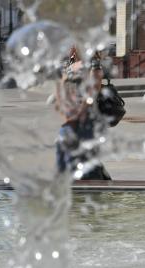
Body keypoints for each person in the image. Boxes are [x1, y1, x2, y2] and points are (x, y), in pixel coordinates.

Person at [55, 47, 110, 180]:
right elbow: (61, 94)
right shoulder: (70, 65)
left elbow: (92, 92)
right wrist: (67, 116)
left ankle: (99, 187)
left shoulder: (93, 65)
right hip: (71, 123)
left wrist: (77, 116)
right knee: (66, 167)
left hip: (85, 123)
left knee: (87, 167)